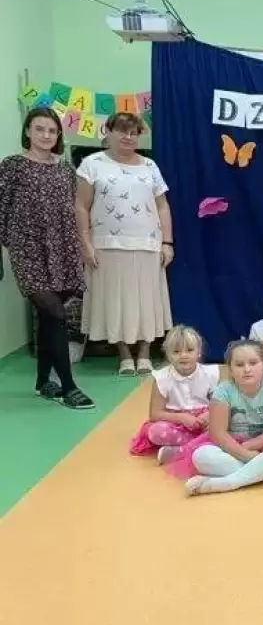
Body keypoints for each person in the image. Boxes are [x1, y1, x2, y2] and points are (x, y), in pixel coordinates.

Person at [0, 107, 93, 408]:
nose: (46, 135)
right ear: (28, 131)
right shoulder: (12, 166)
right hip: (27, 249)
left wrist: (82, 244)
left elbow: (73, 209)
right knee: (54, 313)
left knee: (48, 316)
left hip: (62, 248)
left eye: (52, 131)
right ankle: (68, 387)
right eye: (39, 129)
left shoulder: (66, 170)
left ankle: (43, 382)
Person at [76, 111, 173, 377]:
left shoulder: (150, 166)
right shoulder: (91, 164)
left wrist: (167, 242)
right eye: (121, 131)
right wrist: (85, 243)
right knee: (114, 302)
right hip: (106, 246)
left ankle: (144, 354)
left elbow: (163, 207)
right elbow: (81, 206)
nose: (128, 137)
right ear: (107, 132)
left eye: (134, 132)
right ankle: (124, 355)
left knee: (146, 303)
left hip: (148, 246)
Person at [167, 340, 263, 495]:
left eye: (253, 363)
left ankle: (227, 483)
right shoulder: (223, 391)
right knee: (200, 456)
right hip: (230, 447)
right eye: (239, 365)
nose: (247, 369)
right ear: (231, 370)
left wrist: (249, 446)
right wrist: (243, 454)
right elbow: (218, 433)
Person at [129, 325, 220, 463]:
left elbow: (219, 405)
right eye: (176, 352)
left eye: (189, 350)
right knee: (155, 432)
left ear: (199, 352)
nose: (183, 355)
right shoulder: (162, 377)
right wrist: (182, 418)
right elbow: (155, 414)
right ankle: (201, 445)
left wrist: (207, 416)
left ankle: (179, 452)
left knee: (228, 424)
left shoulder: (210, 373)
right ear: (168, 354)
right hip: (176, 422)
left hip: (204, 421)